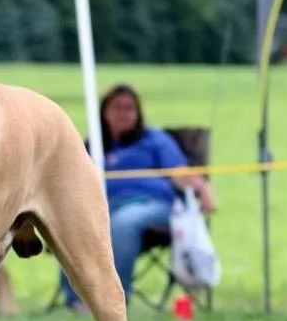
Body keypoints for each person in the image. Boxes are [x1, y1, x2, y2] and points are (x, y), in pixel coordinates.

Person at [60, 83, 214, 306]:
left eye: (130, 108)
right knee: (72, 224)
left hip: (152, 205)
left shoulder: (154, 139)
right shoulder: (93, 145)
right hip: (105, 204)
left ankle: (114, 299)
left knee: (122, 224)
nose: (125, 114)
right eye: (118, 107)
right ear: (104, 112)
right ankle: (77, 299)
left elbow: (179, 172)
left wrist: (202, 188)